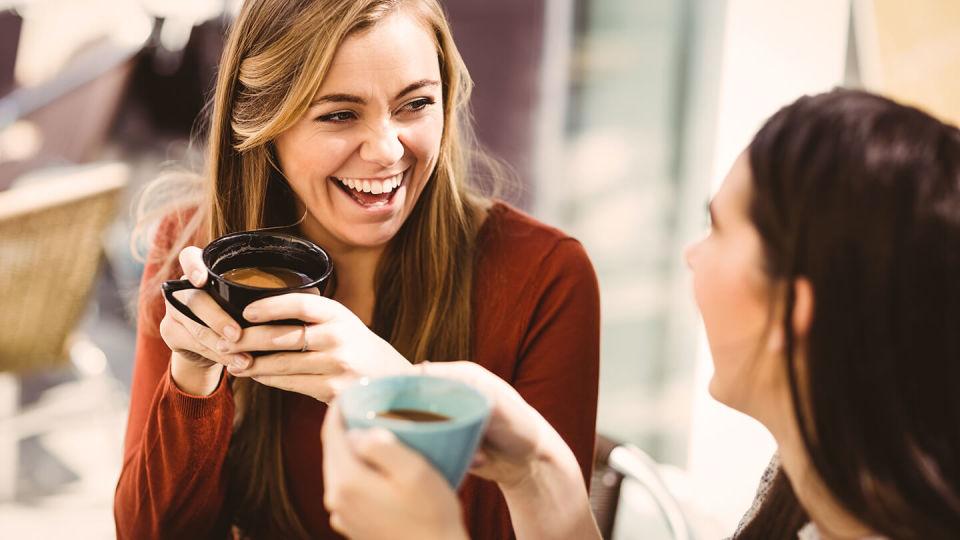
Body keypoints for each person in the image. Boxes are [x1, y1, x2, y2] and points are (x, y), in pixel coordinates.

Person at [322, 89, 960, 540]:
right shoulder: (821, 507)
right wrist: (537, 472)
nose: (692, 257)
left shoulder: (547, 270)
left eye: (717, 230)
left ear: (794, 308)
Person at [114, 1, 600, 538]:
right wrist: (192, 381)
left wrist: (400, 397)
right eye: (340, 114)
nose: (387, 150)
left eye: (415, 104)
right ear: (264, 122)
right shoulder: (194, 249)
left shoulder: (546, 277)